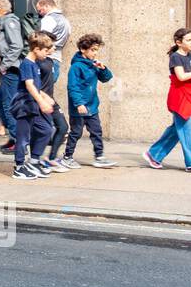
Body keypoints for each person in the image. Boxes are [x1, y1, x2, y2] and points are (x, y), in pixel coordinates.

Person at [144, 27, 191, 173]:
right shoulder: (176, 57)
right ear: (178, 42)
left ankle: (153, 155)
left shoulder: (190, 56)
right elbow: (181, 76)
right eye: (188, 40)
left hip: (187, 97)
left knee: (176, 131)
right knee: (189, 131)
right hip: (180, 98)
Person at [12, 32, 59, 179]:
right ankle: (19, 167)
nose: (48, 53)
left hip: (33, 105)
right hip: (24, 106)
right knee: (23, 138)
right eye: (46, 50)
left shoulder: (35, 64)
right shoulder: (27, 64)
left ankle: (33, 162)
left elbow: (36, 87)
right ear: (36, 49)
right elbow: (29, 85)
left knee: (46, 129)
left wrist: (45, 97)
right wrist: (42, 102)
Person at [63, 34, 115, 168]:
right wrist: (79, 104)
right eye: (92, 50)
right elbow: (72, 87)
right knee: (76, 132)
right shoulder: (76, 67)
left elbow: (106, 78)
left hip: (92, 106)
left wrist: (103, 69)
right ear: (82, 49)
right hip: (79, 108)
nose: (95, 53)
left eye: (96, 50)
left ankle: (99, 157)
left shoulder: (93, 65)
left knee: (96, 131)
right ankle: (67, 157)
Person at [0, 0, 24, 153]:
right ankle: (13, 138)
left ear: (0, 9)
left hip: (11, 70)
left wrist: (4, 65)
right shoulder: (4, 23)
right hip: (8, 69)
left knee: (8, 105)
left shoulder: (10, 21)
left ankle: (19, 142)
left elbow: (17, 45)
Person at [36, 51, 72, 171]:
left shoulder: (50, 61)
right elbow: (31, 85)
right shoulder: (35, 62)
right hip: (39, 101)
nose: (55, 48)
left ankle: (51, 159)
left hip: (51, 101)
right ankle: (33, 162)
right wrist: (42, 98)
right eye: (52, 45)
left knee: (63, 127)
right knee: (40, 132)